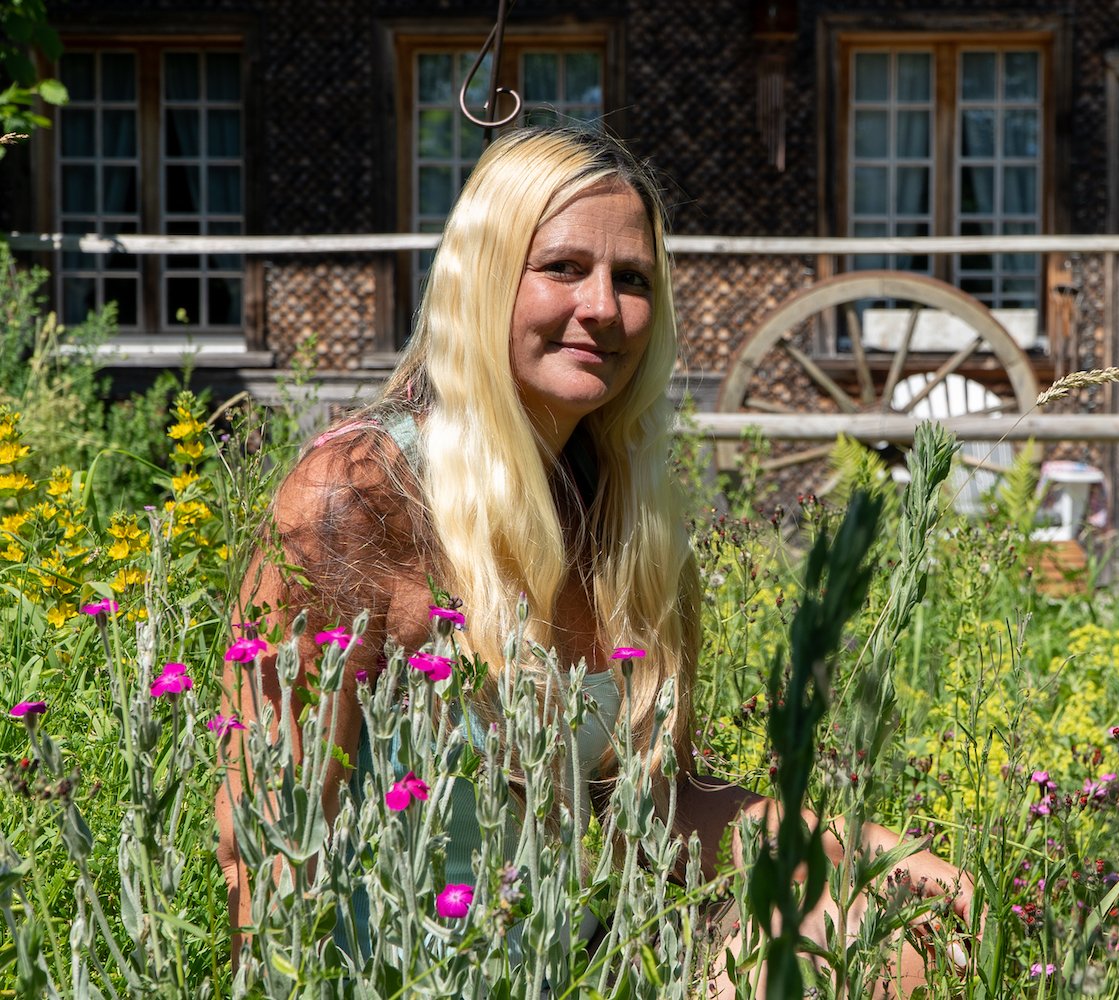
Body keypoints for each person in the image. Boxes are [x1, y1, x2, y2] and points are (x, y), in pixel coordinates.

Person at [214, 126, 972, 995]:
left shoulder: (626, 516)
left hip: (579, 965)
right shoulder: (358, 495)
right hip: (401, 978)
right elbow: (261, 842)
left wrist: (878, 852)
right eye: (563, 268)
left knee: (882, 933)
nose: (604, 307)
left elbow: (654, 804)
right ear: (485, 280)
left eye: (633, 279)